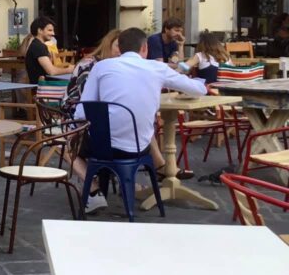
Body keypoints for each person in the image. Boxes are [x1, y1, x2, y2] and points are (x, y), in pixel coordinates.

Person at [75, 28, 207, 213]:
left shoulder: (101, 67)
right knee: (141, 129)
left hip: (103, 147)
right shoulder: (157, 68)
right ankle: (158, 171)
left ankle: (93, 192)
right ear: (145, 48)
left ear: (119, 48)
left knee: (70, 145)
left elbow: (82, 111)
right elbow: (198, 90)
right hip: (140, 147)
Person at [61, 29, 121, 118]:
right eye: (118, 46)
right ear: (108, 45)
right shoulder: (89, 64)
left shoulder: (114, 67)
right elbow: (84, 102)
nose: (122, 50)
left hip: (92, 115)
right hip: (74, 116)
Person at [24, 17, 73, 84]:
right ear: (40, 30)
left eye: (53, 31)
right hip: (44, 87)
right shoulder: (38, 47)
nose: (53, 33)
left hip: (46, 84)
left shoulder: (38, 45)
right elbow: (51, 71)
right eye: (50, 30)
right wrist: (69, 70)